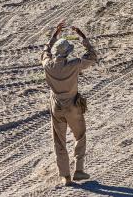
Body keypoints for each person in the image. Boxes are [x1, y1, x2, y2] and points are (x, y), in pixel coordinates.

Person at [41, 21, 97, 186]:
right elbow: (92, 56)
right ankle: (79, 170)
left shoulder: (47, 65)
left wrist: (54, 36)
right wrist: (83, 37)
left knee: (59, 141)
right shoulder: (74, 65)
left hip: (56, 106)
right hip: (73, 106)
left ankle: (65, 176)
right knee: (80, 136)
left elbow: (44, 52)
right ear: (68, 53)